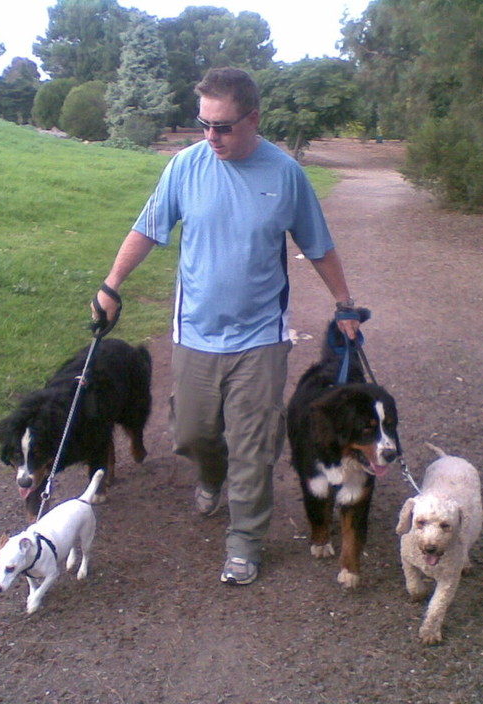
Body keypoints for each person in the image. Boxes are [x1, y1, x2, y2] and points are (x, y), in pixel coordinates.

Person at [91, 67, 362, 585]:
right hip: (195, 331)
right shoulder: (186, 168)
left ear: (253, 119)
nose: (210, 137)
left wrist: (345, 304)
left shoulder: (285, 175)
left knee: (255, 444)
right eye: (204, 125)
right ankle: (211, 475)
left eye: (222, 127)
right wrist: (111, 285)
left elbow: (318, 245)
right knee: (191, 433)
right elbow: (148, 228)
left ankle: (245, 540)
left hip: (260, 335)